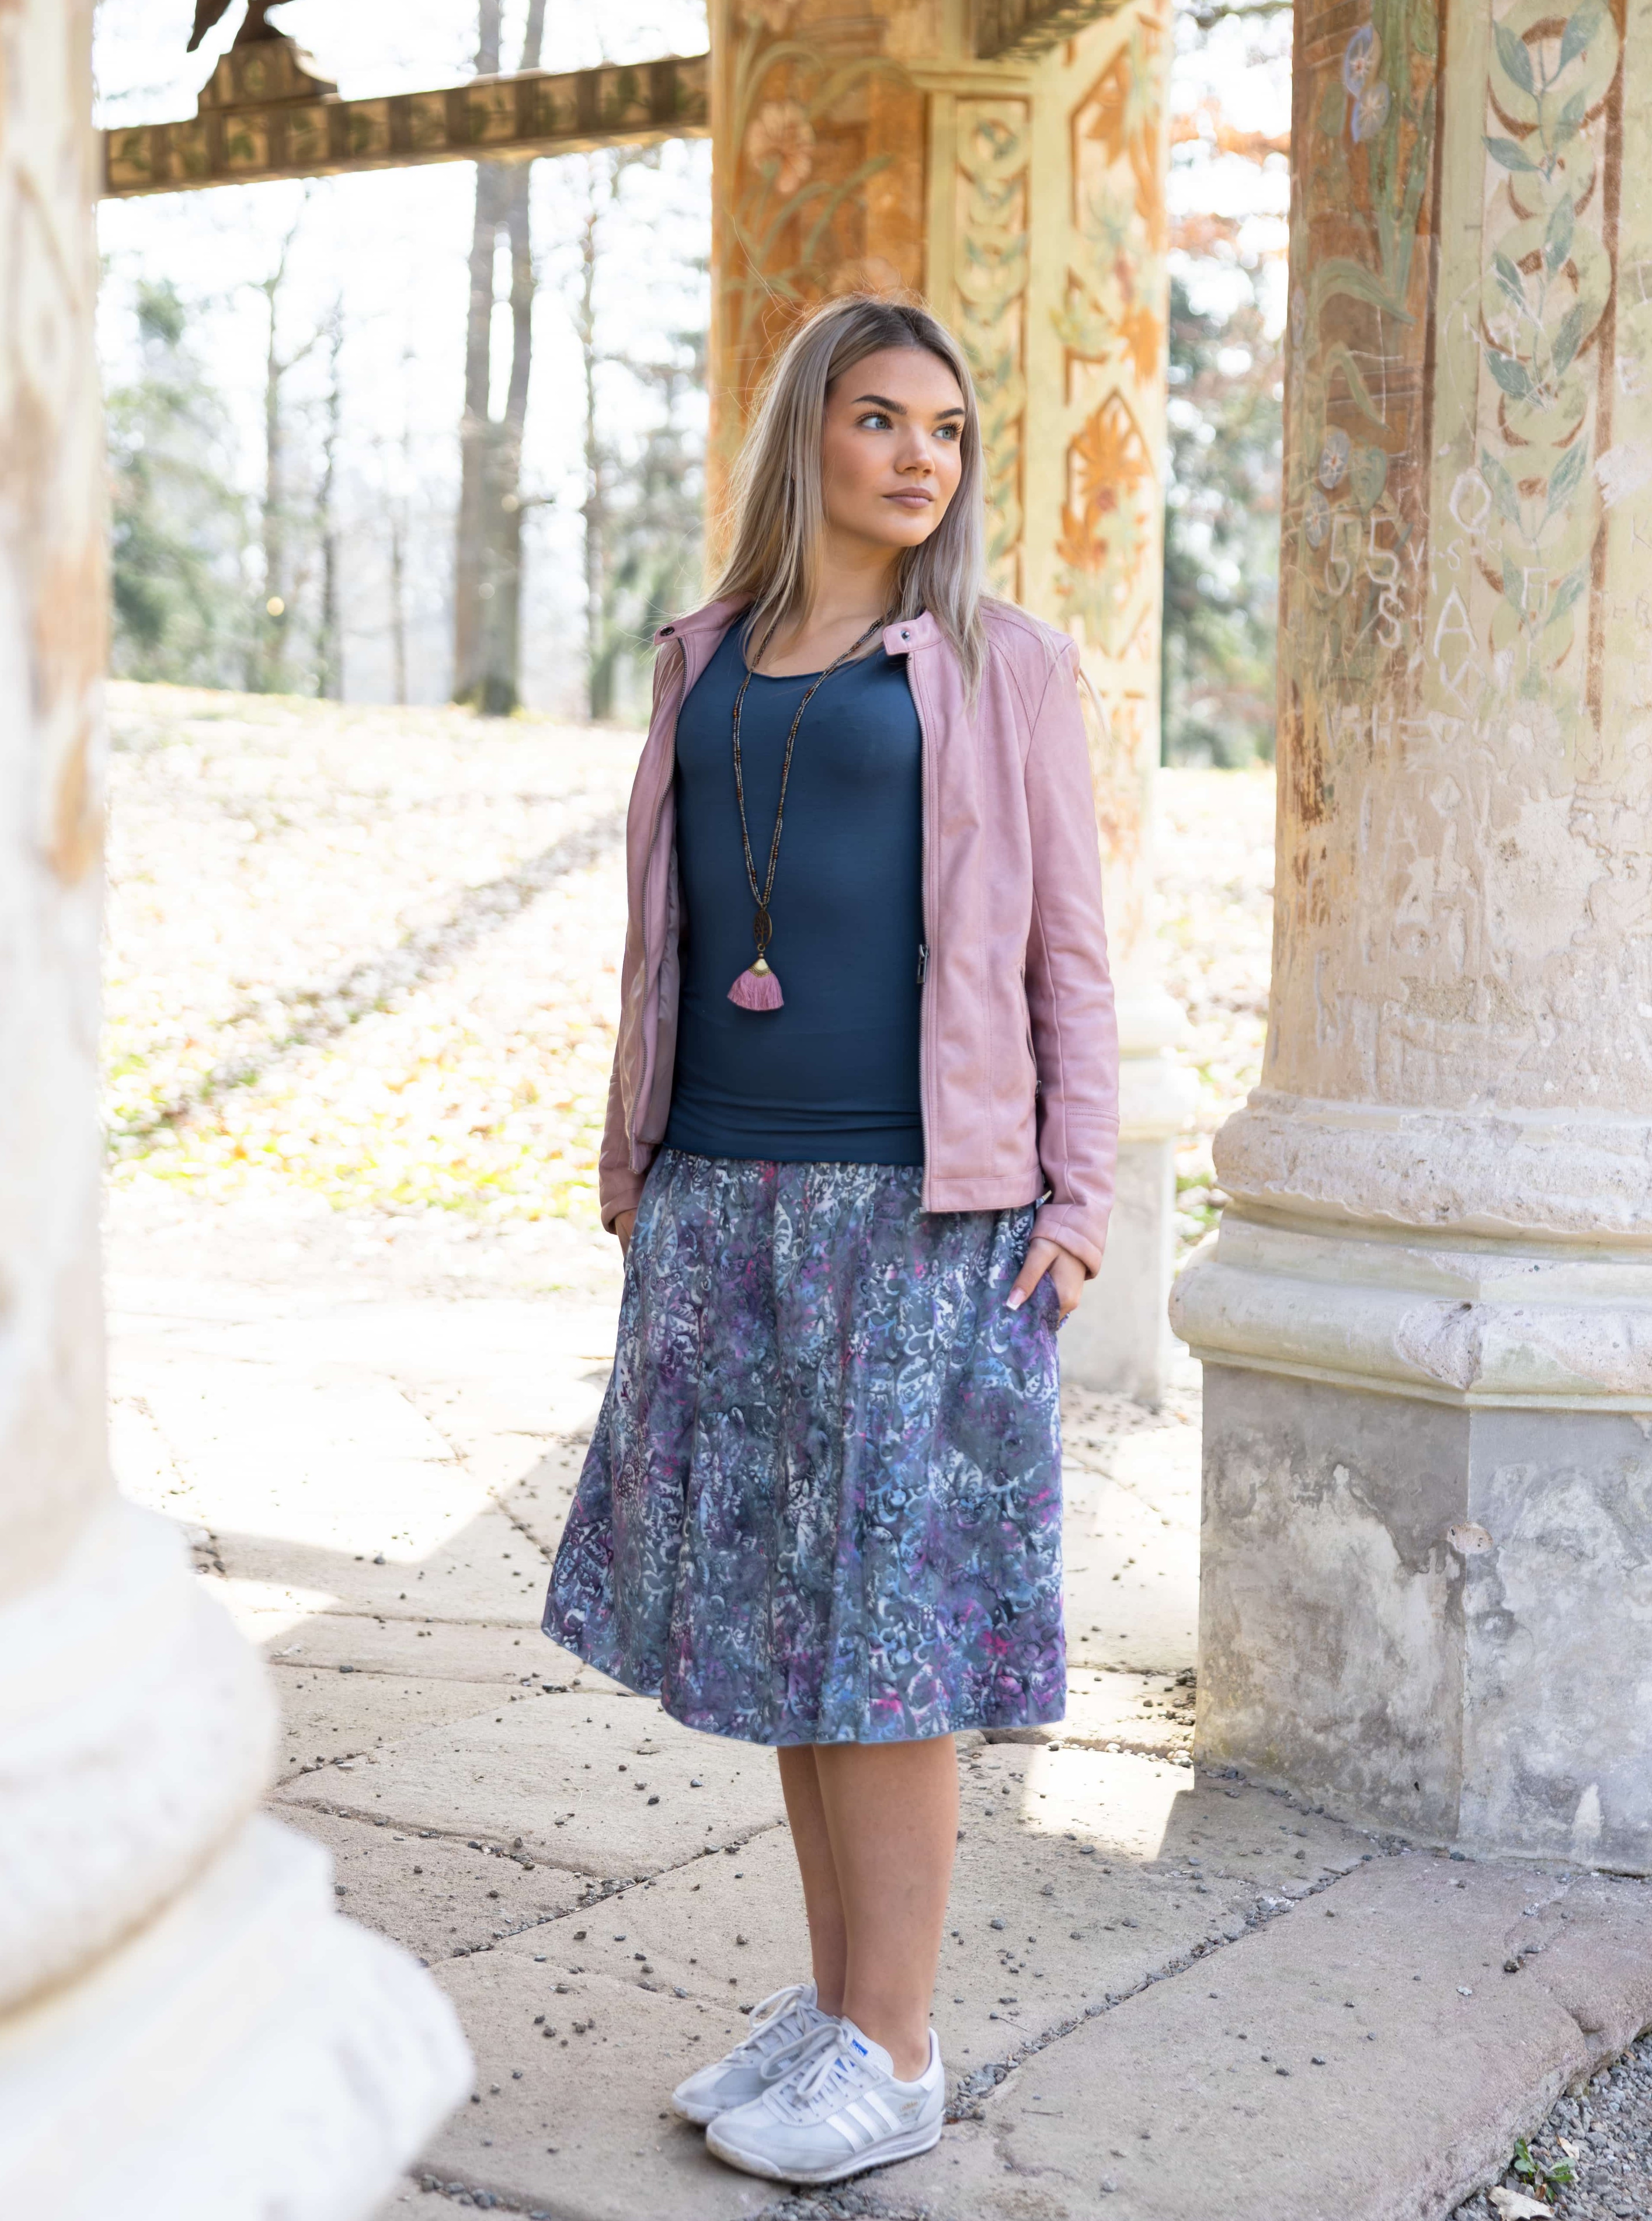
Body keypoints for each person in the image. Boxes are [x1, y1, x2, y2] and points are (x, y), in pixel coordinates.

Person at [543, 292, 1117, 2189]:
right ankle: (835, 2004)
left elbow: (1067, 953)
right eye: (879, 418)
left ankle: (900, 2045)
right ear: (807, 434)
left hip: (921, 1213)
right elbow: (667, 931)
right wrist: (639, 1156)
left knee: (887, 1646)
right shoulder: (702, 656)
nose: (918, 457)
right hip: (722, 1199)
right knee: (800, 1635)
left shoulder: (1000, 664)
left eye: (945, 429)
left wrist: (1079, 1199)